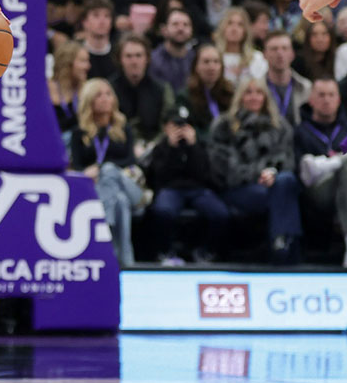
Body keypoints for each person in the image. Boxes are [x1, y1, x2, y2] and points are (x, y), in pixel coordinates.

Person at [207, 75, 302, 264]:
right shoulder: (224, 125)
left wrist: (272, 172)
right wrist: (259, 174)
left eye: (259, 92)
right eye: (248, 93)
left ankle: (279, 241)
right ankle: (285, 244)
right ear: (240, 97)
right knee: (283, 190)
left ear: (266, 97)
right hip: (236, 189)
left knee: (286, 181)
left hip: (272, 184)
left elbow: (288, 159)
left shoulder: (280, 126)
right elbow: (224, 168)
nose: (254, 97)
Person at [294, 77, 347, 268]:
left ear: (338, 100)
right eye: (321, 95)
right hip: (319, 191)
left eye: (331, 95)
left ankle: (330, 163)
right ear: (311, 100)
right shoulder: (300, 131)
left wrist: (333, 162)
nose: (326, 100)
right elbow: (299, 170)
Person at [70, 78, 143, 266]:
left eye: (108, 94)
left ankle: (104, 223)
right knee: (120, 202)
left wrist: (101, 170)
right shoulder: (80, 132)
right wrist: (88, 172)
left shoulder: (123, 127)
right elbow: (76, 165)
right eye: (99, 95)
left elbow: (131, 161)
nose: (105, 99)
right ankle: (126, 263)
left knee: (109, 169)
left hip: (129, 186)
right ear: (89, 101)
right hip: (99, 190)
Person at [147, 104, 228, 264]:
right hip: (170, 188)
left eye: (184, 126)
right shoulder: (161, 147)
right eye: (175, 126)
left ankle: (207, 252)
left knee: (220, 213)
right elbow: (159, 177)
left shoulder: (200, 145)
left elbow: (204, 175)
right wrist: (172, 148)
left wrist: (193, 147)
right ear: (166, 127)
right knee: (163, 211)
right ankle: (165, 252)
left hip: (198, 189)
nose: (180, 130)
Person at [109, 34, 174, 144]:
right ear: (120, 59)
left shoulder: (162, 89)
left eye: (139, 55)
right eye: (128, 56)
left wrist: (152, 146)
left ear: (147, 58)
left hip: (155, 148)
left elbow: (168, 125)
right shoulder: (109, 89)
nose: (134, 61)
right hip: (118, 147)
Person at [244, 30, 311, 126]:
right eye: (274, 49)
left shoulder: (306, 87)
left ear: (292, 54)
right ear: (264, 55)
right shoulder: (255, 90)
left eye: (285, 48)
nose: (280, 54)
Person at [178, 43, 236, 139]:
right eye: (206, 62)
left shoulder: (230, 93)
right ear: (196, 67)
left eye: (216, 62)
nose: (211, 67)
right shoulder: (186, 97)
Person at [214, 6, 267, 83]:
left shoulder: (257, 58)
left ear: (245, 31)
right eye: (230, 23)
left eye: (240, 24)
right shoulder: (214, 58)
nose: (234, 28)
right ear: (223, 28)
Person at [149, 8, 196, 91]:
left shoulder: (196, 60)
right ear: (164, 30)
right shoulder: (152, 60)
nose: (181, 28)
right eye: (175, 24)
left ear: (191, 30)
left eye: (186, 24)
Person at [49, 39, 89, 135]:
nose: (88, 66)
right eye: (83, 61)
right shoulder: (44, 90)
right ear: (67, 62)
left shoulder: (87, 90)